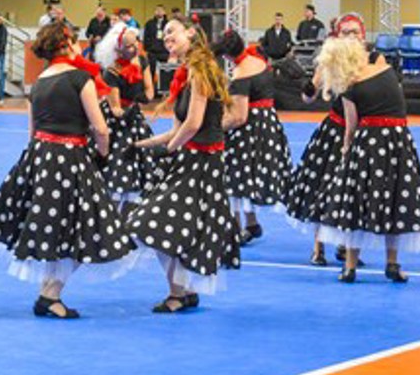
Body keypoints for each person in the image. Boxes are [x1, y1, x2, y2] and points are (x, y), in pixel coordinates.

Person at [0, 22, 137, 319]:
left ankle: (49, 292)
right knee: (87, 229)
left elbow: (33, 132)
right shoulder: (80, 78)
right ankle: (50, 295)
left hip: (41, 156)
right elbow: (100, 128)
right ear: (67, 44)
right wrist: (103, 154)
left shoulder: (39, 82)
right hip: (71, 158)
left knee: (54, 227)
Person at [128, 20, 240, 313]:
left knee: (154, 224)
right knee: (169, 226)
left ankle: (178, 293)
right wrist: (140, 145)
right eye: (164, 35)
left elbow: (193, 124)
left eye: (171, 32)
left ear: (190, 33)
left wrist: (167, 150)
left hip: (202, 164)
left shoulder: (201, 70)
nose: (166, 38)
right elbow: (178, 129)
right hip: (191, 161)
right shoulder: (187, 73)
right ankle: (181, 291)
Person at [312, 37, 420, 283]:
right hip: (398, 140)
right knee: (396, 199)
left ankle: (350, 267)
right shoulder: (385, 68)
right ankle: (392, 263)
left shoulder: (350, 85)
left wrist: (345, 151)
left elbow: (350, 127)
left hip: (369, 144)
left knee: (356, 202)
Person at [283, 13, 387, 265]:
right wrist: (309, 84)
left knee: (354, 190)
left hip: (364, 132)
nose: (351, 36)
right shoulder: (331, 58)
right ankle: (318, 248)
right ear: (338, 35)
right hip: (336, 129)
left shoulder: (375, 58)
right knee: (322, 186)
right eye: (345, 32)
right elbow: (309, 98)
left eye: (355, 31)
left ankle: (345, 246)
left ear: (363, 34)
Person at [214, 31, 292, 245]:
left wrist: (214, 127)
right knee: (246, 176)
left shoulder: (241, 74)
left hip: (250, 129)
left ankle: (235, 229)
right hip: (268, 122)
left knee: (234, 177)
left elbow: (239, 117)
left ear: (226, 56)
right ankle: (251, 224)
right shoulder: (258, 60)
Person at [94, 26, 155, 208]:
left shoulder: (143, 60)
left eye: (136, 43)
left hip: (133, 111)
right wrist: (131, 107)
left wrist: (143, 99)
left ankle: (133, 193)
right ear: (118, 49)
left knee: (141, 150)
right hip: (118, 117)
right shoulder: (112, 71)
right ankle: (113, 193)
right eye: (129, 46)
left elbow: (149, 91)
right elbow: (116, 108)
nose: (135, 48)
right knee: (120, 151)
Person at [143, 5, 169, 91]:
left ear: (164, 12)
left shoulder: (168, 24)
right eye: (157, 10)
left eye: (161, 10)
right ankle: (151, 89)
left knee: (165, 71)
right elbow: (145, 37)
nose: (159, 12)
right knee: (151, 70)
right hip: (152, 52)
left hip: (164, 51)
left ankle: (164, 89)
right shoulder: (149, 23)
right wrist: (147, 48)